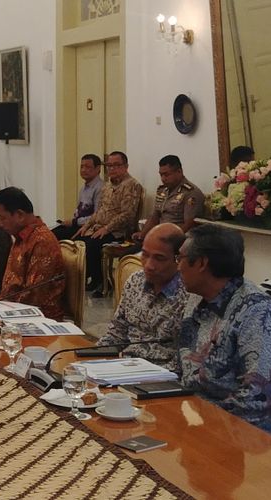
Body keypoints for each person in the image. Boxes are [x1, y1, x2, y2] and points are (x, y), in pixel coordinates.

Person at [176, 224, 271, 432]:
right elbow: (183, 361)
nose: (177, 267)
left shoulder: (255, 311)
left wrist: (203, 424)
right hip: (186, 409)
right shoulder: (196, 296)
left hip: (232, 430)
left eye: (180, 258)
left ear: (201, 263)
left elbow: (257, 397)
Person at [96, 223, 191, 370]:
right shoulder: (135, 281)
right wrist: (90, 360)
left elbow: (185, 361)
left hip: (164, 378)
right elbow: (116, 335)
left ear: (178, 259)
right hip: (124, 368)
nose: (149, 265)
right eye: (145, 255)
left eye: (159, 258)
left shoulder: (190, 294)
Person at [73, 151, 143, 293]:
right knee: (78, 241)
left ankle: (104, 284)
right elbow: (99, 210)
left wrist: (107, 228)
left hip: (118, 231)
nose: (112, 169)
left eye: (116, 165)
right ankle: (94, 278)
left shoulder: (131, 185)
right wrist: (86, 226)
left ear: (126, 166)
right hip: (99, 227)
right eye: (109, 165)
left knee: (92, 245)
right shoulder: (107, 185)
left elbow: (128, 214)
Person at [0, 187, 66, 320]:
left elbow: (34, 295)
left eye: (2, 218)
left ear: (20, 215)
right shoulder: (21, 237)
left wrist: (1, 310)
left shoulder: (42, 241)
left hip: (38, 319)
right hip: (12, 312)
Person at [133, 155, 204, 241]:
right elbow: (155, 217)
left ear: (179, 171)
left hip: (176, 240)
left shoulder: (191, 193)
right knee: (129, 251)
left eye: (166, 175)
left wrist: (166, 241)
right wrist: (143, 236)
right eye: (161, 175)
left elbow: (189, 225)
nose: (163, 179)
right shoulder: (163, 190)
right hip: (159, 236)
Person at [53, 154, 104, 241]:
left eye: (88, 167)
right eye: (81, 167)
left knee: (55, 237)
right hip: (77, 225)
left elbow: (97, 217)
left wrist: (74, 222)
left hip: (89, 228)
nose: (83, 170)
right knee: (50, 233)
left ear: (98, 168)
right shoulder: (83, 188)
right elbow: (78, 212)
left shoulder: (101, 188)